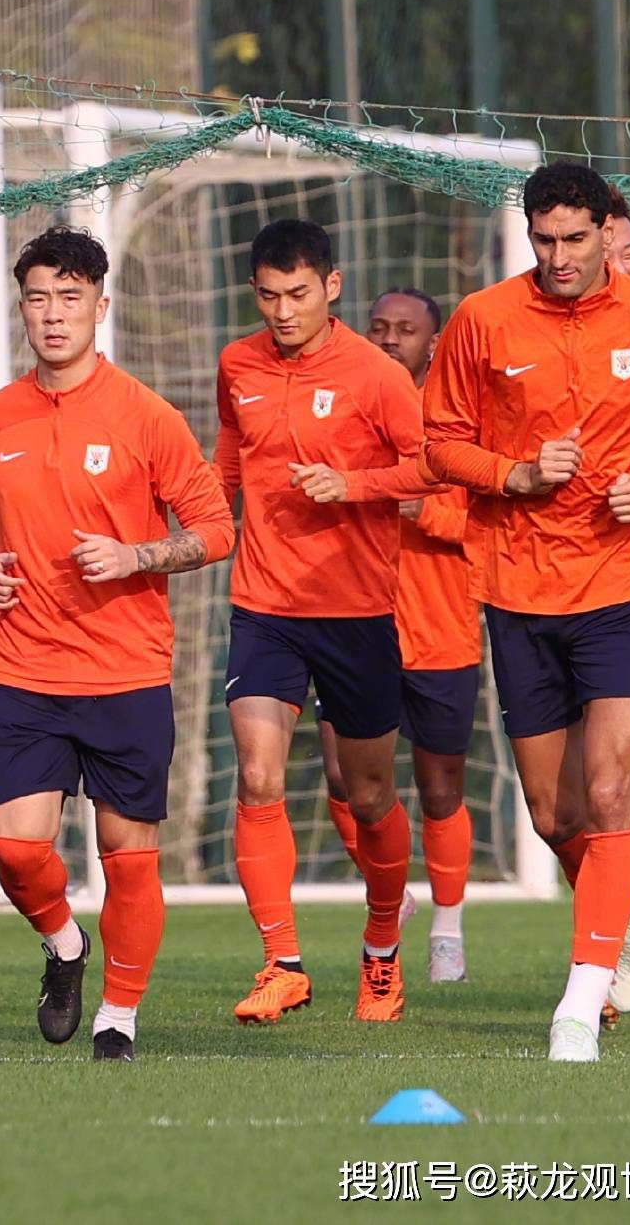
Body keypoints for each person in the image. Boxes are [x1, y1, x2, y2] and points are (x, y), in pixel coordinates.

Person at [424, 164, 630, 1060]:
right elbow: (439, 440)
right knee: (552, 812)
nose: (559, 257)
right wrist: (515, 473)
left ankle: (579, 1002)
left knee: (613, 791)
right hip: (520, 587)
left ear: (610, 232)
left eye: (575, 238)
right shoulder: (485, 320)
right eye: (544, 239)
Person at [0, 226, 233, 1060]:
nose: (53, 314)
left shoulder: (146, 416)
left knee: (127, 854)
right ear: (22, 307)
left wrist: (135, 555)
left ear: (100, 307)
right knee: (16, 849)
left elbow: (216, 528)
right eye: (38, 296)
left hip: (125, 670)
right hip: (26, 669)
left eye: (70, 297)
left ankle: (120, 1014)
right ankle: (66, 945)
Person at [215, 220, 434, 1026]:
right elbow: (229, 463)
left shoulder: (376, 374)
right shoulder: (235, 363)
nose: (282, 310)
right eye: (269, 295)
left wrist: (353, 484)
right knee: (259, 774)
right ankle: (283, 962)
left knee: (369, 793)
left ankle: (382, 948)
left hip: (355, 611)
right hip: (264, 606)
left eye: (298, 294)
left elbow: (429, 467)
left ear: (331, 287)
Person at [322, 288, 481, 984]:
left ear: (434, 342)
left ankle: (448, 925)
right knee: (341, 777)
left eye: (405, 329)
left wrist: (422, 508)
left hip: (441, 628)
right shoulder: (350, 408)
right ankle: (393, 887)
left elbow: (487, 520)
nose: (390, 339)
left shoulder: (459, 421)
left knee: (440, 786)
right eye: (379, 326)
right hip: (357, 620)